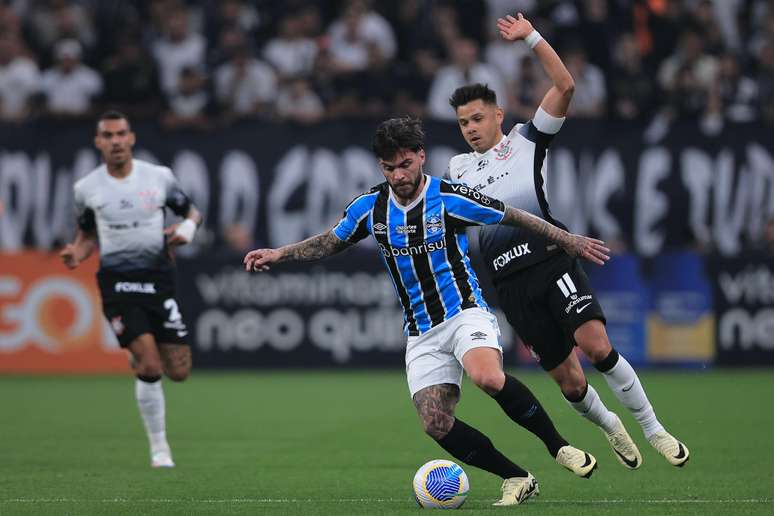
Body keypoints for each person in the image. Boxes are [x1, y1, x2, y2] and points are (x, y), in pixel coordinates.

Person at [244, 117, 610, 506]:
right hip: (421, 331)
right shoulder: (370, 207)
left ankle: (558, 446)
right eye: (389, 168)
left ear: (421, 157)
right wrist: (279, 253)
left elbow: (512, 214)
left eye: (405, 164)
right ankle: (517, 478)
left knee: (486, 377)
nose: (399, 175)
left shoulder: (449, 197)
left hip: (464, 312)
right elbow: (331, 242)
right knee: (435, 422)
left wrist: (566, 239)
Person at [445, 12, 689, 470]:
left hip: (549, 261)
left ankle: (654, 429)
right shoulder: (456, 170)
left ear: (498, 115)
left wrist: (532, 37)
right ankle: (609, 426)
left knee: (597, 346)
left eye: (477, 118)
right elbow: (448, 227)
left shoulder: (525, 140)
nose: (471, 128)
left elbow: (566, 87)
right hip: (509, 284)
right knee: (570, 383)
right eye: (462, 122)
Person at [60, 111, 202, 468]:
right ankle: (160, 449)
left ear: (132, 138)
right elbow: (87, 234)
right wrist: (77, 252)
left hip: (159, 279)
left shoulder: (158, 177)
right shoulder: (86, 189)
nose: (116, 141)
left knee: (180, 371)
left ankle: (138, 352)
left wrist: (186, 231)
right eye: (108, 136)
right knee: (151, 364)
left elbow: (192, 213)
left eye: (121, 133)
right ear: (98, 142)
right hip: (117, 283)